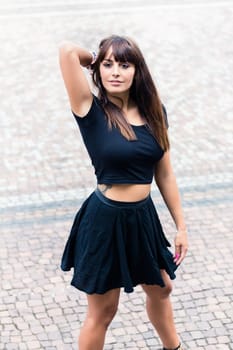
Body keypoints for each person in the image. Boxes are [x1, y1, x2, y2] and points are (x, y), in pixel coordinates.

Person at [59, 35, 188, 350]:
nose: (115, 71)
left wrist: (181, 226)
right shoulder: (90, 109)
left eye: (124, 64)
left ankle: (174, 347)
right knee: (104, 310)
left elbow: (165, 173)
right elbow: (66, 52)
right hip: (104, 220)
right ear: (98, 69)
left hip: (142, 217)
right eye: (108, 65)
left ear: (137, 70)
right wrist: (97, 55)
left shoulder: (155, 111)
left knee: (161, 288)